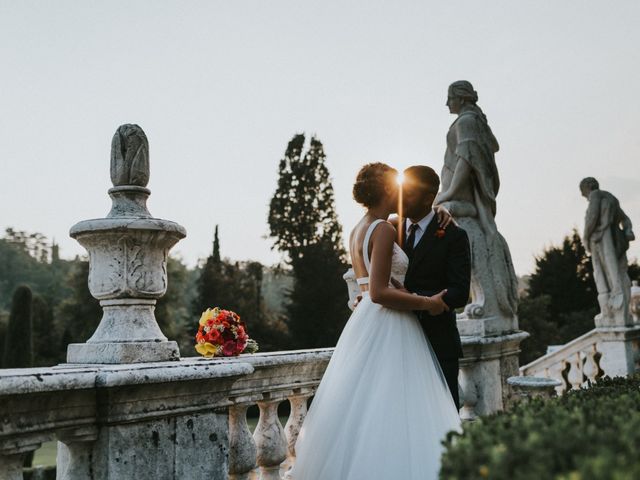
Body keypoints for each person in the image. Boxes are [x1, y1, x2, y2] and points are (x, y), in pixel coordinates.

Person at [287, 163, 462, 480]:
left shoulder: (360, 228)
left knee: (368, 409)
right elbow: (380, 291)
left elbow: (369, 284)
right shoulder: (382, 229)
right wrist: (427, 302)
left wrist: (441, 211)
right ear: (388, 190)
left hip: (365, 322)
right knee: (396, 407)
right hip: (388, 321)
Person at [399, 165, 471, 409]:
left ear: (429, 198)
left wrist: (420, 301)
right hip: (397, 338)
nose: (401, 198)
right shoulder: (391, 229)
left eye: (408, 193)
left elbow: (460, 291)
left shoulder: (454, 236)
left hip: (438, 341)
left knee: (443, 412)